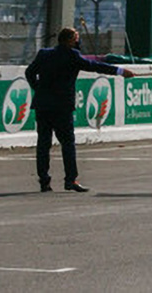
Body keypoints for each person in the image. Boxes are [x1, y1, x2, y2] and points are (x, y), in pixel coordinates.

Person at [25, 27, 135, 193]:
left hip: (43, 105)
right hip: (62, 107)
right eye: (76, 38)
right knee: (68, 143)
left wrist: (38, 89)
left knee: (43, 144)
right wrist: (119, 71)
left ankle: (44, 181)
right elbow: (95, 66)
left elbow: (29, 72)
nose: (78, 41)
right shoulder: (72, 56)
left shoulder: (44, 53)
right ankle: (71, 180)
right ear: (70, 40)